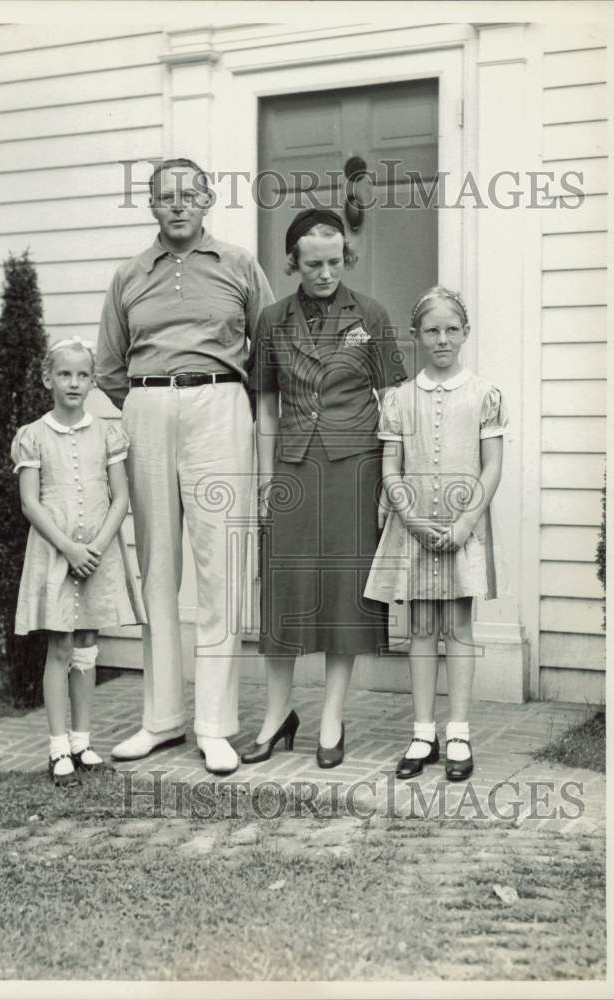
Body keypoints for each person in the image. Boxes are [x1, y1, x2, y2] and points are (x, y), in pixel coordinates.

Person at [96, 157, 274, 776]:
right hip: (146, 404)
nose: (176, 204)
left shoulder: (239, 266)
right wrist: (152, 404)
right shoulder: (128, 275)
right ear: (151, 205)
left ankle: (216, 725)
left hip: (221, 403)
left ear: (206, 201)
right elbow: (110, 366)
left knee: (220, 564)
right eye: (164, 195)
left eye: (187, 194)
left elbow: (267, 349)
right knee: (157, 567)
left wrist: (223, 403)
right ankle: (161, 719)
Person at [242, 208, 406, 769]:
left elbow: (396, 403)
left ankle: (332, 718)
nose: (324, 273)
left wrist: (391, 477)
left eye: (335, 262)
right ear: (293, 263)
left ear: (346, 258)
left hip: (354, 468)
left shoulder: (372, 314)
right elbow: (265, 406)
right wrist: (264, 482)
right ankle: (277, 714)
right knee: (283, 596)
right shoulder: (271, 320)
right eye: (313, 264)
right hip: (291, 468)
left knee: (344, 596)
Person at [364, 286, 508, 781]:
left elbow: (492, 468)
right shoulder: (400, 399)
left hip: (464, 527)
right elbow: (390, 469)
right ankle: (423, 732)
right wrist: (414, 520)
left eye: (451, 329)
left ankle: (459, 732)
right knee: (421, 630)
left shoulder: (484, 395)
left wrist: (467, 521)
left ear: (465, 333)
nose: (442, 339)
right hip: (416, 528)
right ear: (416, 337)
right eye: (432, 330)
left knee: (459, 628)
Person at [12, 337, 145, 785]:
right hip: (56, 552)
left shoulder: (107, 432)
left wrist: (98, 547)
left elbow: (121, 496)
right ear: (48, 378)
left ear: (92, 380)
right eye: (64, 374)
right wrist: (68, 548)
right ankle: (57, 747)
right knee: (60, 646)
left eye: (82, 374)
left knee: (88, 643)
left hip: (98, 552)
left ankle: (82, 742)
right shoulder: (34, 435)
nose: (74, 382)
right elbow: (31, 503)